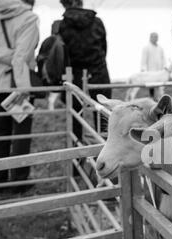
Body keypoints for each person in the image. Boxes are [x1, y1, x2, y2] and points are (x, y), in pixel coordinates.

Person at [0, 0, 40, 193]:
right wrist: (24, 90)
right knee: (21, 136)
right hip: (17, 86)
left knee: (1, 135)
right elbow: (20, 57)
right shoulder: (30, 18)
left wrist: (1, 54)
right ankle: (18, 183)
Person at [58, 0, 111, 140]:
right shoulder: (97, 22)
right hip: (98, 71)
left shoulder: (62, 25)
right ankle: (104, 153)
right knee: (103, 116)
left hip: (74, 74)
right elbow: (104, 48)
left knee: (75, 117)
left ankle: (77, 154)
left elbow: (63, 54)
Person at [141, 32, 166, 98]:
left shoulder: (160, 48)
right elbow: (143, 59)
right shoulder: (146, 48)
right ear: (150, 38)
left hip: (159, 72)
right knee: (151, 86)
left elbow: (163, 58)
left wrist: (164, 68)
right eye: (154, 37)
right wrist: (143, 69)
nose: (155, 38)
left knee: (160, 87)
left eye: (156, 37)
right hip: (150, 72)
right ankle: (152, 98)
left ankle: (159, 100)